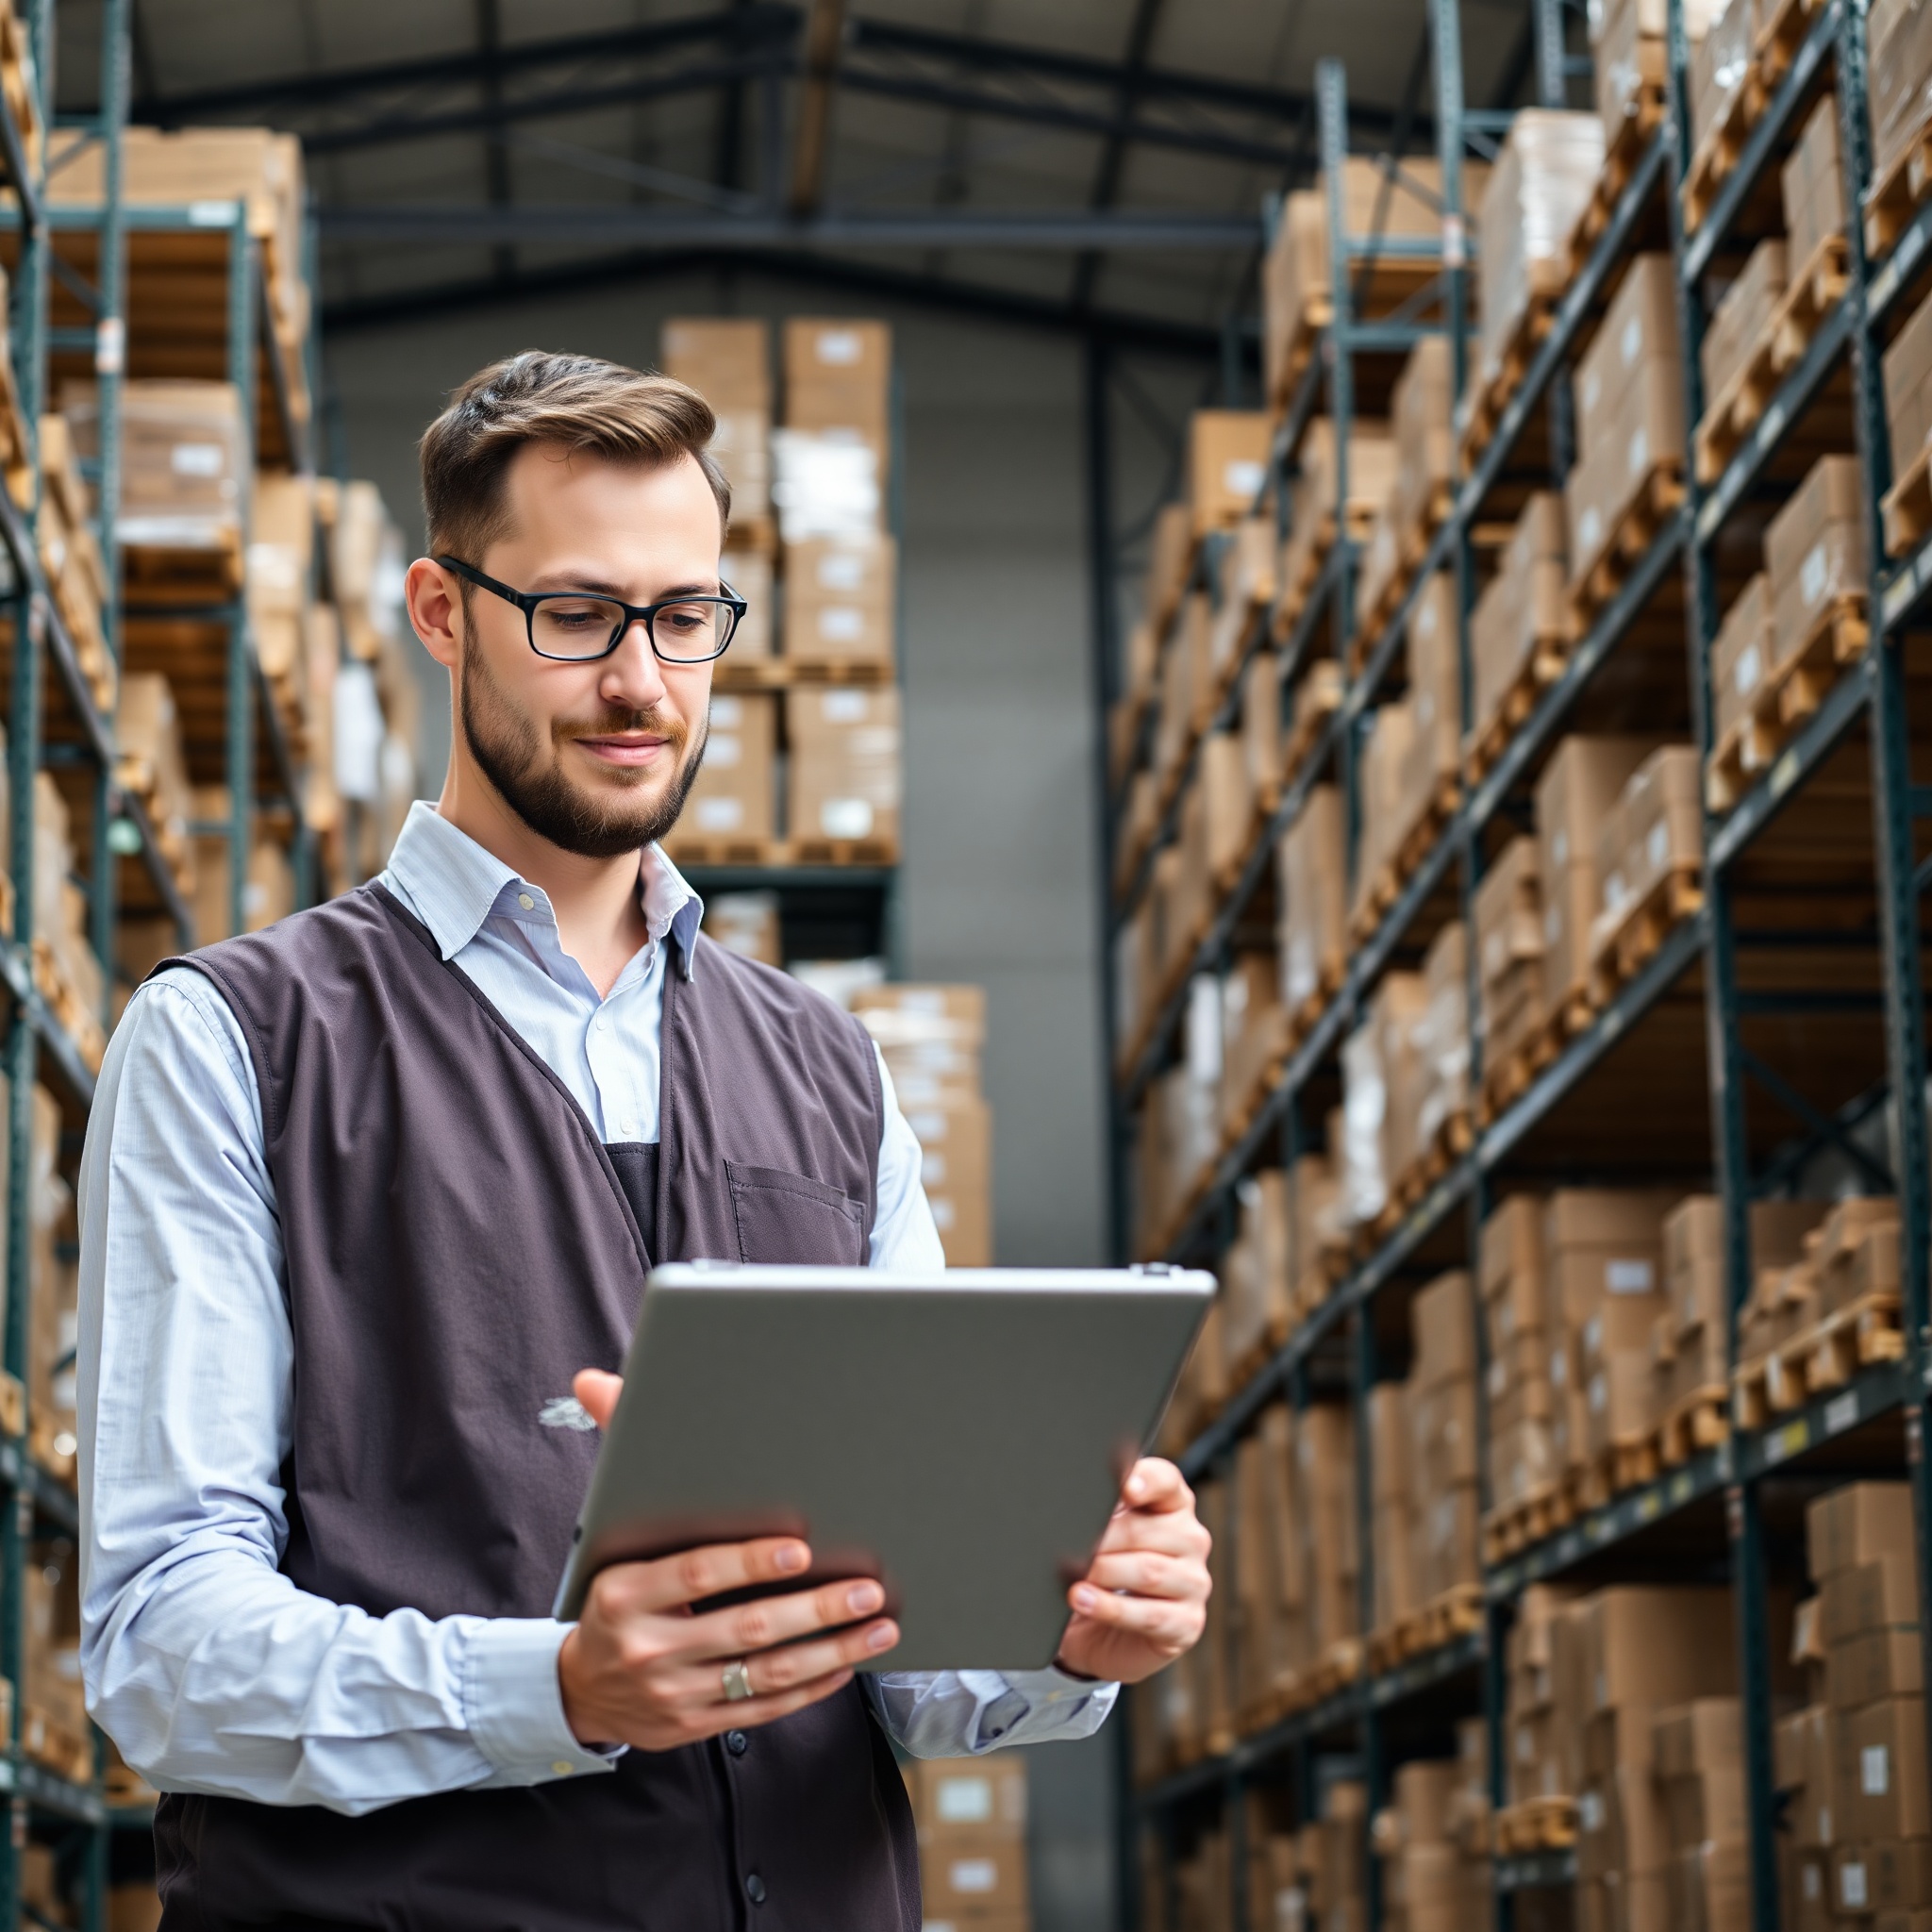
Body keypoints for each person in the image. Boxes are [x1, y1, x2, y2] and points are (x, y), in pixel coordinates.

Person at [77, 349, 1212, 1929]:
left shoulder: (828, 1067)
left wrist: (1069, 1630)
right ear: (441, 612)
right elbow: (155, 1651)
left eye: (685, 619)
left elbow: (904, 1656)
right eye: (577, 615)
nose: (642, 684)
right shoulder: (236, 1040)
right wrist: (562, 1691)